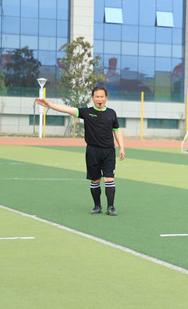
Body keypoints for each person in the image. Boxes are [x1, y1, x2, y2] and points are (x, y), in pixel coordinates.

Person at [34, 86, 125, 216]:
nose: (99, 99)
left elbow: (117, 130)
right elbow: (67, 109)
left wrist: (122, 147)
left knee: (109, 179)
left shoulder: (111, 113)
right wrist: (49, 105)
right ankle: (97, 206)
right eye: (97, 97)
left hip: (109, 151)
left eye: (102, 96)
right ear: (93, 98)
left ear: (106, 98)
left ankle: (111, 207)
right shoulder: (86, 112)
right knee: (95, 180)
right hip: (92, 151)